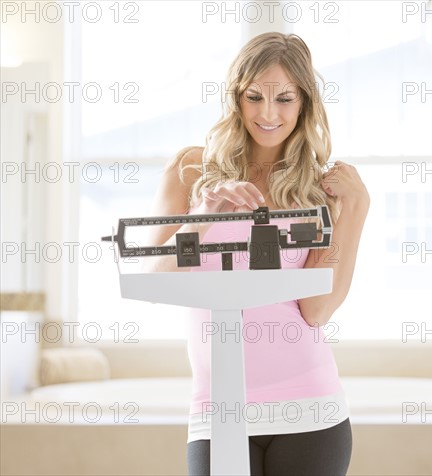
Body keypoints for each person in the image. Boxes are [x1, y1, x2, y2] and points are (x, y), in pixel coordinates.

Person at [144, 32, 370, 476]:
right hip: (217, 408)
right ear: (236, 98)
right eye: (254, 97)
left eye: (284, 98)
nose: (268, 114)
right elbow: (153, 277)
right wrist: (204, 213)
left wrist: (357, 208)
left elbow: (317, 308)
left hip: (309, 407)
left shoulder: (318, 188)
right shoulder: (191, 170)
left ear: (304, 102)